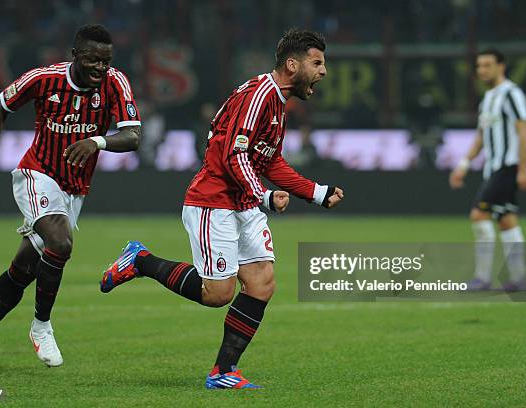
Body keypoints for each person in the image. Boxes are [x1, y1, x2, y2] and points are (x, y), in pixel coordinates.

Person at [99, 29, 343, 389]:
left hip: (243, 203)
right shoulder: (259, 97)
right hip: (214, 203)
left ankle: (223, 371)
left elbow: (269, 160)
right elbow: (234, 155)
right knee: (218, 294)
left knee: (261, 284)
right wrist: (263, 196)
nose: (323, 71)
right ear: (293, 64)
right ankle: (140, 261)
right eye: (317, 62)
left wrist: (316, 193)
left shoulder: (276, 103)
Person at [0, 24, 141, 375]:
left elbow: (132, 136)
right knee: (61, 242)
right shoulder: (44, 79)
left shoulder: (116, 82)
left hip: (74, 189)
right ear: (75, 56)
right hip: (37, 174)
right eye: (92, 60)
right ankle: (41, 326)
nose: (100, 68)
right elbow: (0, 106)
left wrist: (96, 142)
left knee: (23, 271)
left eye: (106, 61)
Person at [449, 48, 526, 291]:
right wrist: (463, 165)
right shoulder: (488, 99)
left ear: (501, 66)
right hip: (492, 168)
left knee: (478, 214)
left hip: (507, 166)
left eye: (487, 65)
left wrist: (524, 168)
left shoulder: (511, 93)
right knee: (506, 220)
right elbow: (482, 137)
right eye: (479, 66)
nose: (482, 70)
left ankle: (482, 278)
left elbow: (524, 129)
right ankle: (519, 279)